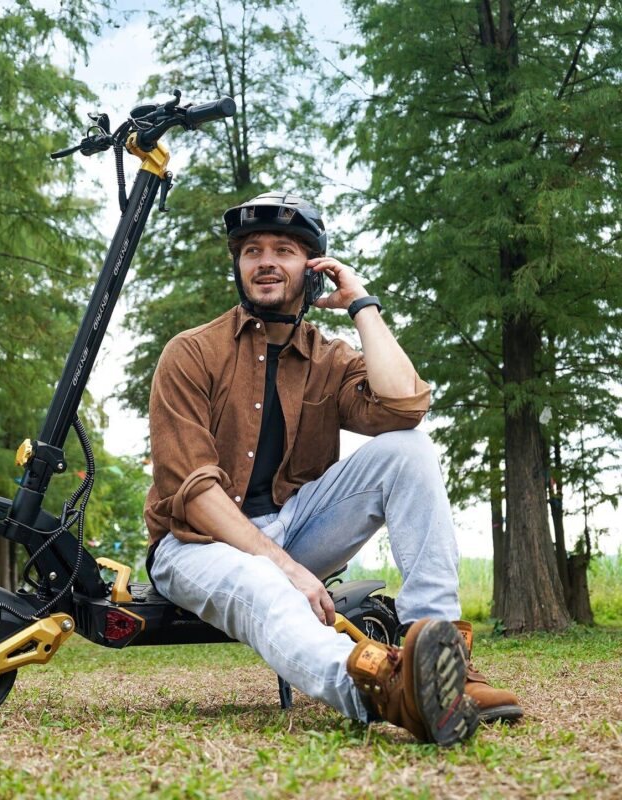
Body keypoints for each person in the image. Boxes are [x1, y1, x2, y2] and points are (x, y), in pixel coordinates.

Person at [143, 191, 522, 745]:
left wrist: (361, 303)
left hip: (292, 526)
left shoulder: (329, 356)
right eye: (251, 250)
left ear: (312, 268)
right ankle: (393, 693)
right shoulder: (190, 353)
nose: (265, 260)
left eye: (285, 249)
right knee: (262, 582)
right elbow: (194, 491)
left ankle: (441, 656)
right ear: (238, 265)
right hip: (194, 545)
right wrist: (286, 568)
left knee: (409, 450)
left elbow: (404, 406)